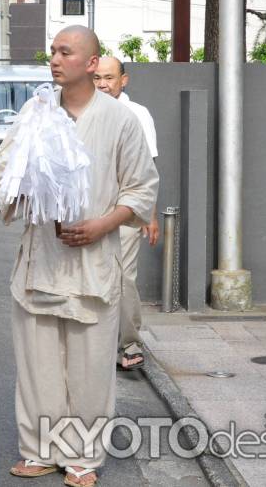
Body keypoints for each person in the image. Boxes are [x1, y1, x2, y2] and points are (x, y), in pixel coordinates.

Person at [0, 25, 158, 486]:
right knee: (38, 363)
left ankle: (83, 455)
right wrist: (21, 196)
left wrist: (102, 223)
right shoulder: (35, 112)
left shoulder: (120, 120)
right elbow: (4, 175)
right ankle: (40, 449)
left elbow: (141, 189)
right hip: (40, 258)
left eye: (66, 52)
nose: (54, 59)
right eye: (53, 51)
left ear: (91, 63)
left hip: (93, 260)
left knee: (89, 367)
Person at [94, 56, 160, 371]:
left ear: (124, 80)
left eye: (109, 77)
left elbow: (149, 171)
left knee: (123, 277)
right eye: (97, 78)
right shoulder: (87, 111)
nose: (103, 84)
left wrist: (151, 216)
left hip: (127, 211)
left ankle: (130, 343)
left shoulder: (138, 115)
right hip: (92, 211)